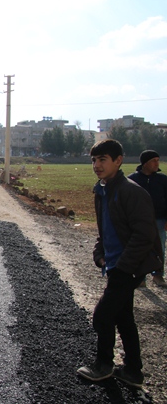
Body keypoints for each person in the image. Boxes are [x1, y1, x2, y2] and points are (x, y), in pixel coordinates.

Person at [77, 139, 162, 388]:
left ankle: (103, 365)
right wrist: (99, 254)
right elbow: (105, 231)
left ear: (118, 160)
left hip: (129, 267)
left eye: (103, 159)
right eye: (94, 160)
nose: (97, 165)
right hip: (115, 264)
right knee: (124, 318)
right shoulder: (103, 190)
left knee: (103, 316)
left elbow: (144, 235)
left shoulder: (131, 192)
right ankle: (133, 372)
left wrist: (123, 267)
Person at [128, 149, 167, 287]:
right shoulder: (132, 179)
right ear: (145, 163)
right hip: (139, 221)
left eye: (158, 160)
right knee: (139, 248)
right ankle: (140, 278)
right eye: (154, 161)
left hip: (159, 220)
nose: (157, 163)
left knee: (159, 248)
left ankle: (158, 276)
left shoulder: (163, 179)